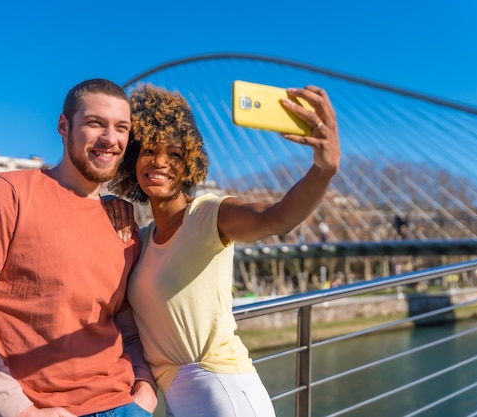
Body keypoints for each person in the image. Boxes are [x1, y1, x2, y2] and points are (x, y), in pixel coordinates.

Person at [106, 83, 340, 417]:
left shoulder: (208, 215)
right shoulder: (140, 240)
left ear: (190, 164)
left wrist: (324, 169)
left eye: (174, 154)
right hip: (174, 397)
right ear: (133, 160)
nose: (159, 162)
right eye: (148, 151)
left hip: (223, 392)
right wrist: (105, 203)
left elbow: (277, 217)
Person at [0, 78, 157, 417]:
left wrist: (145, 387)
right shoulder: (4, 196)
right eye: (95, 123)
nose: (110, 139)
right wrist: (21, 412)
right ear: (63, 126)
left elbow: (126, 324)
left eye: (121, 128)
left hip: (124, 404)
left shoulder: (122, 222)